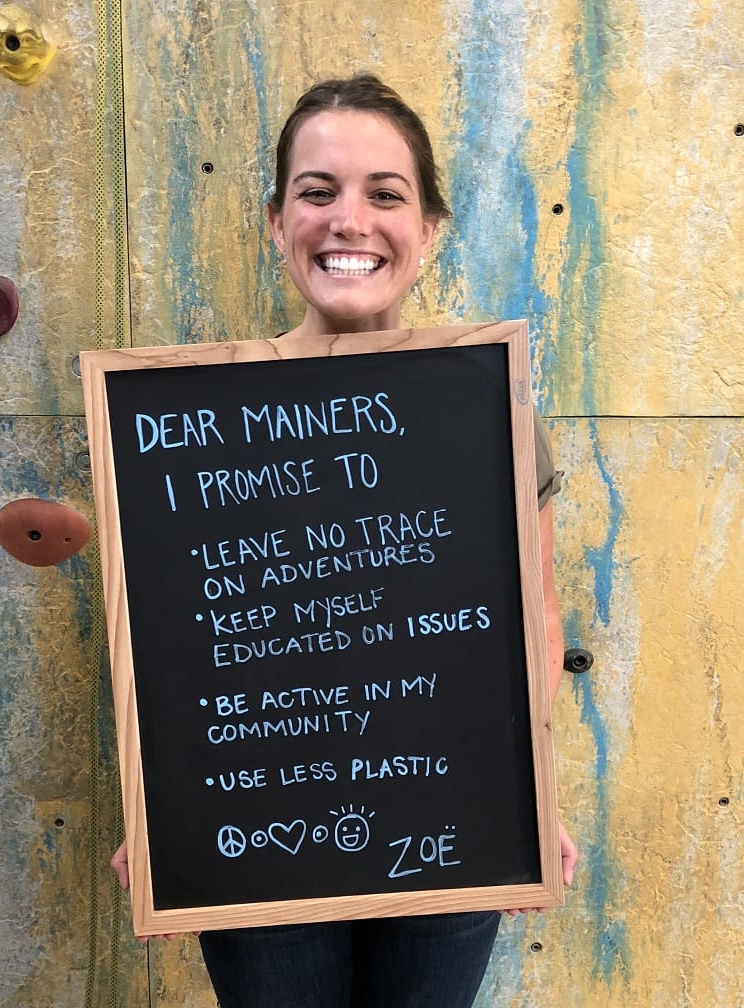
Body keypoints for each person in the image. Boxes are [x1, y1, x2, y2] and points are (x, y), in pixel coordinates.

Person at [112, 73, 578, 1008]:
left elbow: (531, 614)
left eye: (385, 193)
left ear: (429, 227)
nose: (348, 220)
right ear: (277, 221)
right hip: (258, 830)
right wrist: (159, 801)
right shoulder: (192, 424)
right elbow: (170, 644)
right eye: (317, 192)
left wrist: (535, 794)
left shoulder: (490, 408)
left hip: (453, 820)